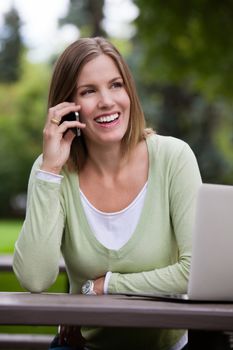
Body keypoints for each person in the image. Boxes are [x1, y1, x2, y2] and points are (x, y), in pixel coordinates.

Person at [13, 37, 202, 350]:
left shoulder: (173, 157)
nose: (107, 101)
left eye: (116, 85)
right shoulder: (52, 170)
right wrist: (49, 171)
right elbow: (35, 279)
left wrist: (104, 287)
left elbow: (194, 271)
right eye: (88, 91)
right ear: (67, 106)